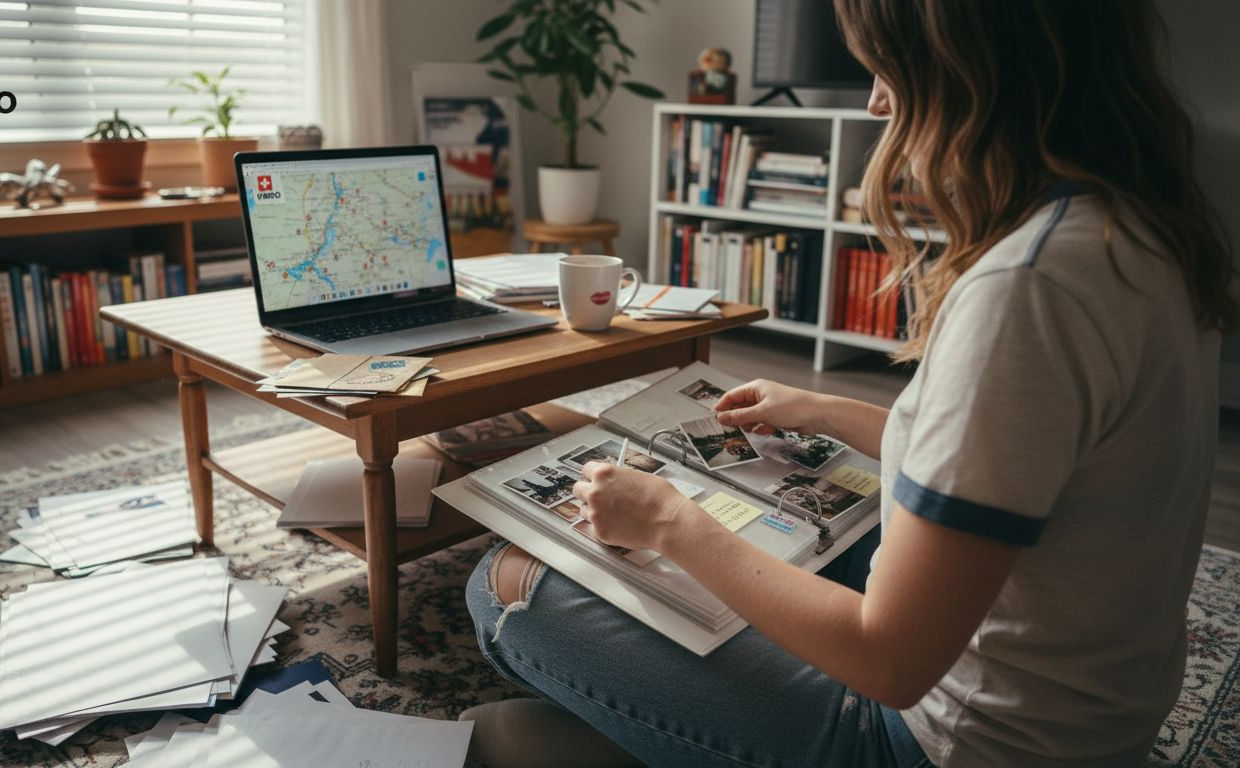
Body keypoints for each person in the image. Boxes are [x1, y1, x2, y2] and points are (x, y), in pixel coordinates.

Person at [460, 1, 1236, 765]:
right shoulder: (1134, 232)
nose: (876, 102)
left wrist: (669, 522)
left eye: (887, 67)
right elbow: (1017, 464)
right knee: (792, 532)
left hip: (939, 744)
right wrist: (824, 410)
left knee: (506, 584)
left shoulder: (1027, 290)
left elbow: (889, 663)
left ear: (968, 69)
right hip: (1083, 723)